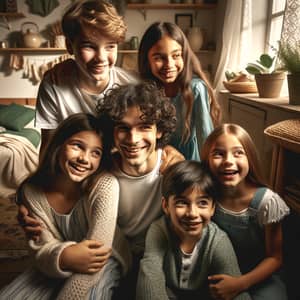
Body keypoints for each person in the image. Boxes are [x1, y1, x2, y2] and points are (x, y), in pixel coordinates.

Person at [16, 82, 179, 299]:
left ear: (159, 131)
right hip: (111, 255)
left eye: (144, 127)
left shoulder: (171, 168)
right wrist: (23, 202)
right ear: (112, 133)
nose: (133, 139)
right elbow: (56, 186)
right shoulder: (100, 169)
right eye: (123, 128)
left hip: (151, 256)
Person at [0, 113, 129, 300]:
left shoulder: (105, 186)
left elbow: (97, 258)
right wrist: (64, 257)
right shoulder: (32, 191)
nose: (85, 159)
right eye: (77, 146)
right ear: (59, 145)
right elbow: (41, 250)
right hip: (56, 259)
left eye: (96, 153)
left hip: (104, 263)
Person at [35, 0, 139, 158]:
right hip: (74, 171)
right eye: (89, 46)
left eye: (110, 46)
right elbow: (49, 148)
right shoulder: (54, 84)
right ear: (70, 46)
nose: (101, 58)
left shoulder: (134, 84)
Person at [136, 160, 251, 300]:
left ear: (213, 208)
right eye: (182, 203)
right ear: (166, 206)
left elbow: (235, 290)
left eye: (202, 203)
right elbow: (150, 278)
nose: (192, 213)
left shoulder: (217, 241)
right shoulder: (159, 231)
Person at [201, 123, 290, 300]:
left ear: (249, 157)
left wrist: (240, 283)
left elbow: (275, 258)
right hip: (217, 273)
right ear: (207, 160)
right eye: (219, 153)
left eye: (238, 152)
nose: (228, 160)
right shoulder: (205, 196)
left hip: (260, 279)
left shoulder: (266, 202)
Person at [138, 22, 221, 161]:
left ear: (184, 55)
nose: (169, 65)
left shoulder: (195, 89)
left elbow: (206, 139)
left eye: (176, 55)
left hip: (190, 167)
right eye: (159, 58)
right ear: (147, 60)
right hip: (157, 163)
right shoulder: (145, 91)